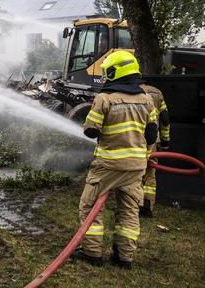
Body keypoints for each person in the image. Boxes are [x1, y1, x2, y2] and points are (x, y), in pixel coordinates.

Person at [72, 51, 158, 269]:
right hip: (136, 166)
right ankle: (124, 257)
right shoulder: (147, 100)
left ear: (115, 72)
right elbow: (151, 135)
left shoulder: (105, 99)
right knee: (129, 210)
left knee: (90, 206)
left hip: (108, 165)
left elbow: (91, 131)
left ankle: (92, 253)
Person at [139, 83, 171, 218]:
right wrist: (165, 139)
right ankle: (147, 205)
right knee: (150, 172)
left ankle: (133, 205)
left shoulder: (133, 90)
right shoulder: (157, 92)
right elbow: (165, 118)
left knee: (136, 172)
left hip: (136, 138)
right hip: (153, 139)